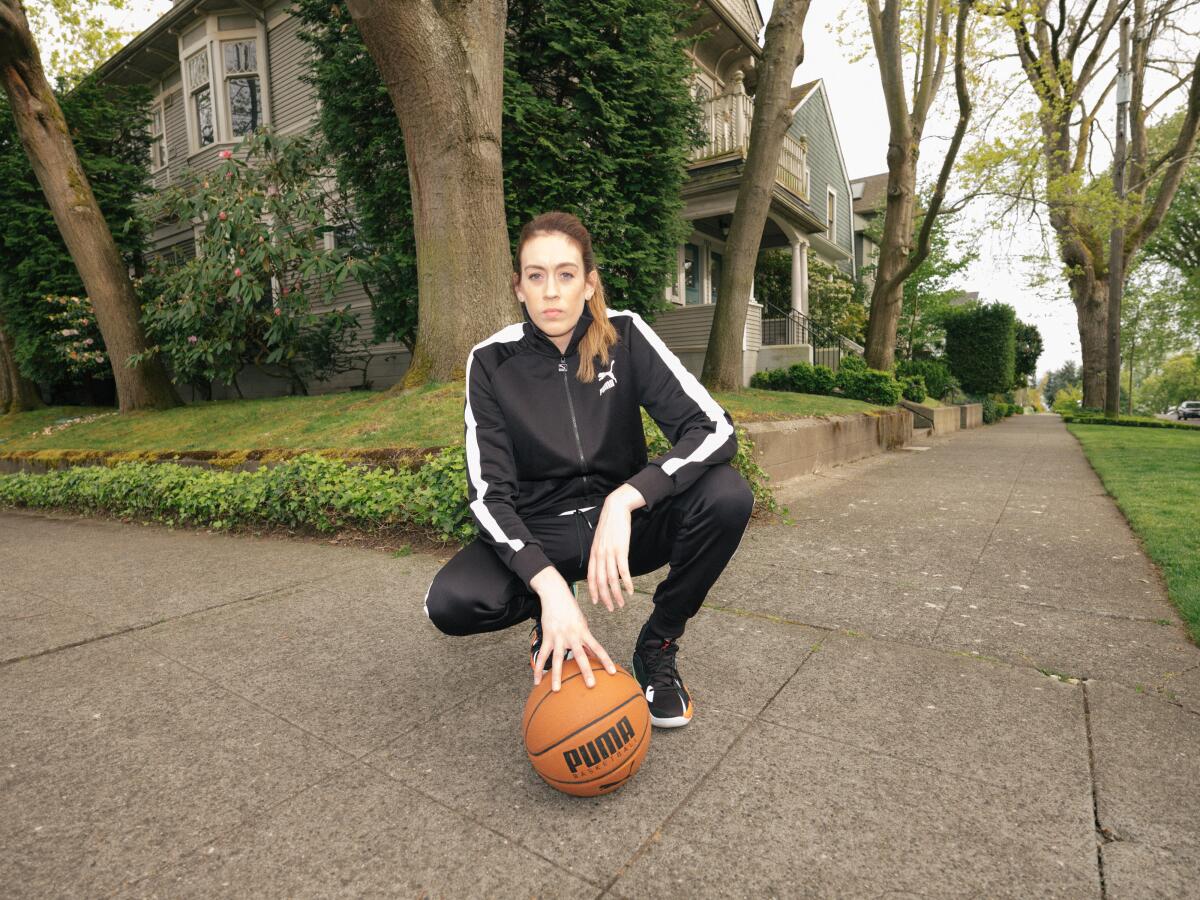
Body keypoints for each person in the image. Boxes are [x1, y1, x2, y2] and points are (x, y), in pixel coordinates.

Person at [423, 211, 753, 728]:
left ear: (589, 283)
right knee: (452, 603)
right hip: (543, 529)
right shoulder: (490, 361)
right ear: (519, 287)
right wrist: (548, 585)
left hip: (622, 532)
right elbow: (489, 495)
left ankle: (658, 646)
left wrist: (627, 498)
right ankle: (548, 618)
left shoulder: (624, 335)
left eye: (566, 274)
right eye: (536, 275)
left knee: (728, 495)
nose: (551, 291)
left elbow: (713, 428)